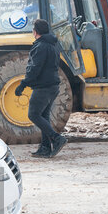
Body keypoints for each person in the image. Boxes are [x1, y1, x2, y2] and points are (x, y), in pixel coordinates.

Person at [14, 19, 68, 158]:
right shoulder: (53, 44)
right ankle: (45, 147)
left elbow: (34, 68)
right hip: (53, 86)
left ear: (35, 32)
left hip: (43, 87)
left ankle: (56, 139)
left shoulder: (40, 46)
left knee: (33, 115)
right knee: (43, 116)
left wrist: (23, 84)